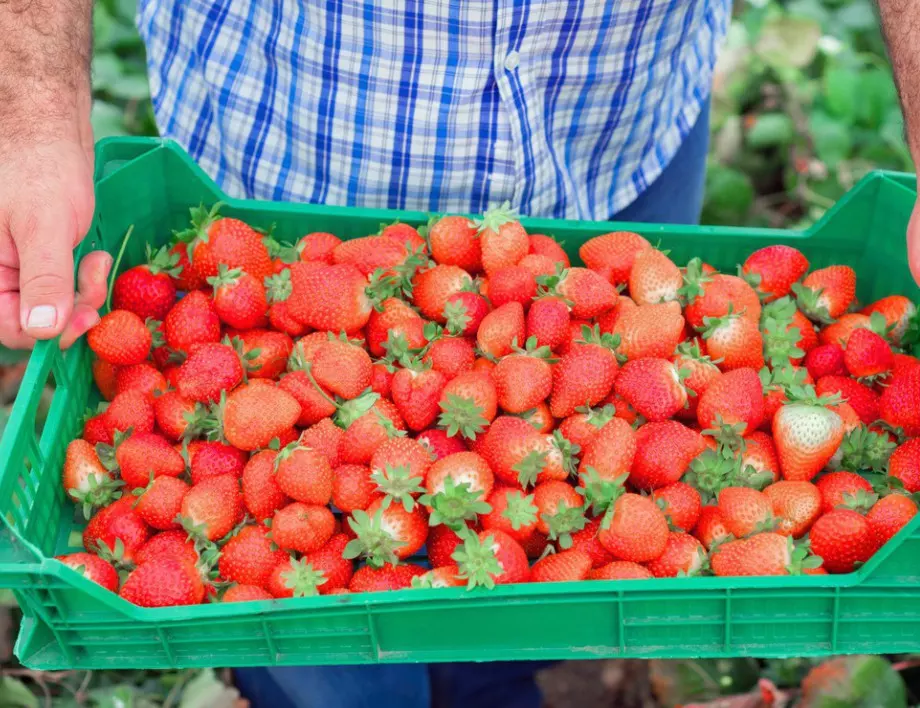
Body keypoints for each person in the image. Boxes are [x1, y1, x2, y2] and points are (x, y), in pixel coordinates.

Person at [0, 0, 914, 706]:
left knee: (535, 616)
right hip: (273, 168)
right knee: (328, 661)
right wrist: (31, 115)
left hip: (614, 139)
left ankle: (495, 682)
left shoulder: (609, 363)